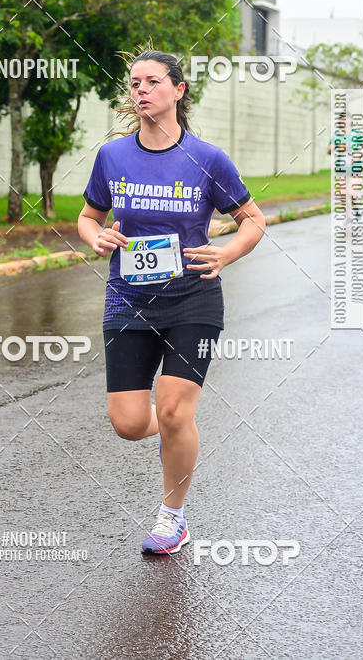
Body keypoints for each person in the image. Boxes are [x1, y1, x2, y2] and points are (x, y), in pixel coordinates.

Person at [77, 49, 265, 555]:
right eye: (134, 83)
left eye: (152, 82)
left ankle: (172, 517)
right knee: (130, 424)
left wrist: (225, 253)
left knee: (177, 413)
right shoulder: (112, 156)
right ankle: (173, 424)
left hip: (193, 300)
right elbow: (89, 216)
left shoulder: (207, 159)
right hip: (128, 301)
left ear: (178, 90)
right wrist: (94, 236)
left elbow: (254, 219)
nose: (140, 90)